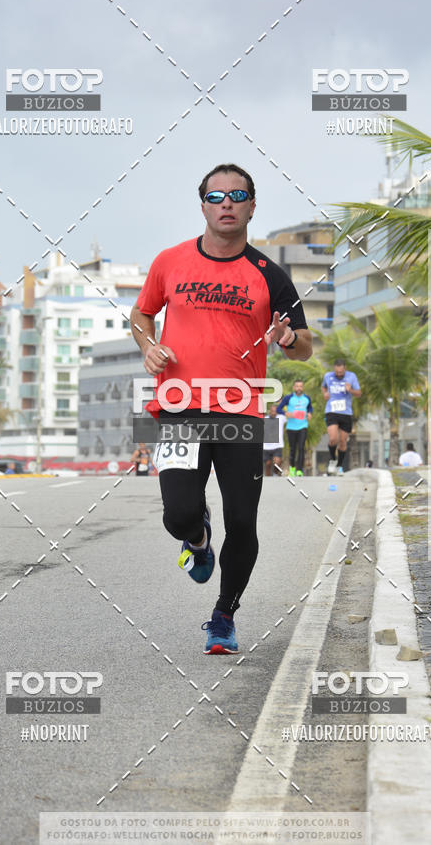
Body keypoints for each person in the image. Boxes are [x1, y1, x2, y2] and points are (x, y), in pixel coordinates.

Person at [130, 162, 312, 655]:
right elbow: (142, 313)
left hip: (242, 413)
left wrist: (289, 337)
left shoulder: (270, 275)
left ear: (253, 205)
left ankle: (224, 616)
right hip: (178, 407)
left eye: (237, 195)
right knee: (179, 513)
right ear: (203, 206)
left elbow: (305, 348)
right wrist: (148, 346)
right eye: (216, 197)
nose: (226, 203)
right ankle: (196, 538)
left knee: (243, 520)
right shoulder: (169, 262)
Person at [322, 359, 361, 475]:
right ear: (334, 368)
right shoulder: (328, 376)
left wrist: (350, 390)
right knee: (333, 438)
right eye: (337, 372)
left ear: (345, 368)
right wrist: (325, 393)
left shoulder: (351, 377)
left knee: (343, 441)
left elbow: (358, 394)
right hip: (331, 411)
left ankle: (339, 466)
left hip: (346, 412)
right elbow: (324, 387)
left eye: (341, 372)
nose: (339, 374)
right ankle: (332, 460)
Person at [277, 379, 312, 476]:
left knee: (301, 448)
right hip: (291, 427)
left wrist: (309, 413)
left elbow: (310, 407)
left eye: (300, 386)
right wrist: (286, 413)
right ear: (294, 387)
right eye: (297, 386)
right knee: (293, 449)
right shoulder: (288, 398)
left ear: (303, 388)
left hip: (303, 426)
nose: (299, 388)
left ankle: (299, 470)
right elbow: (278, 409)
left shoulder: (307, 398)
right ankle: (292, 468)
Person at [262, 403, 286, 477]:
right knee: (268, 464)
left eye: (275, 411)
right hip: (266, 446)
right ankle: (268, 480)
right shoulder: (264, 419)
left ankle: (276, 474)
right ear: (269, 411)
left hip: (277, 446)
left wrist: (280, 405)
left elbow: (287, 413)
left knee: (277, 463)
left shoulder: (281, 417)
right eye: (272, 411)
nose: (273, 413)